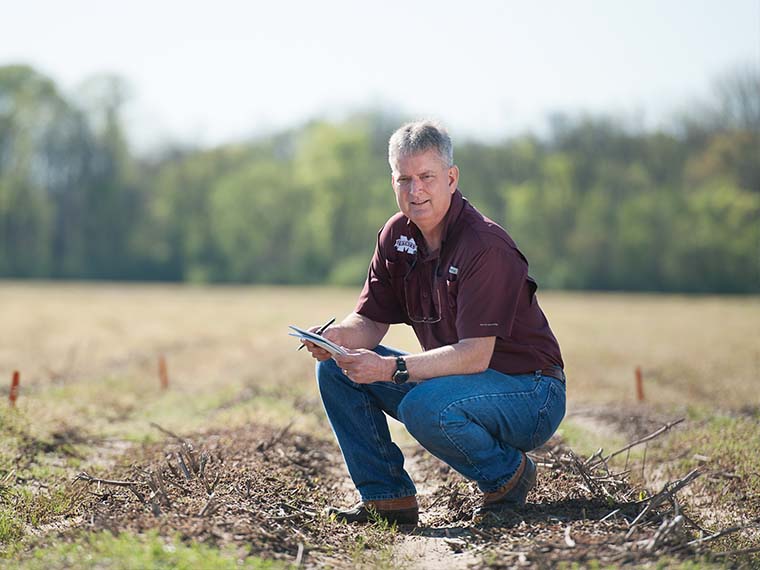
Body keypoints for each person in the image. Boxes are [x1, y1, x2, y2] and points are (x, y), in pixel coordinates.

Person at [301, 120, 565, 526]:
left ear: (451, 178)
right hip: (457, 381)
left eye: (426, 177)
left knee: (423, 406)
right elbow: (370, 320)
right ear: (393, 182)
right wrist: (337, 338)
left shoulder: (485, 246)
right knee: (337, 371)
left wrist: (390, 368)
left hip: (529, 391)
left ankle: (507, 477)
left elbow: (475, 356)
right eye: (404, 179)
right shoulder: (396, 236)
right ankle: (387, 499)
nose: (415, 190)